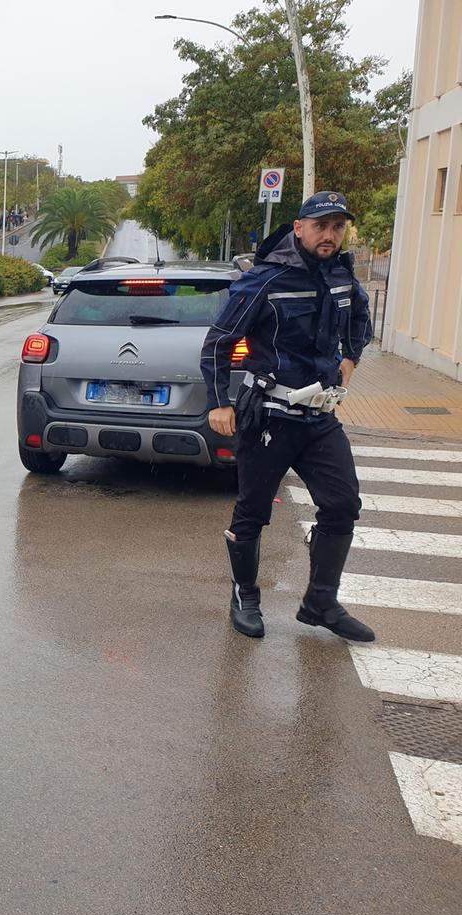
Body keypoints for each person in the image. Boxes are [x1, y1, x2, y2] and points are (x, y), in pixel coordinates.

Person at [201, 190, 375, 644]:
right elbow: (219, 340)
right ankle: (245, 595)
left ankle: (320, 603)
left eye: (338, 226)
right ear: (299, 227)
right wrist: (220, 402)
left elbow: (360, 316)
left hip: (319, 418)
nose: (330, 234)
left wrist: (351, 358)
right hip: (270, 417)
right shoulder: (266, 279)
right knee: (253, 512)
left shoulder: (341, 274)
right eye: (321, 226)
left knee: (342, 504)